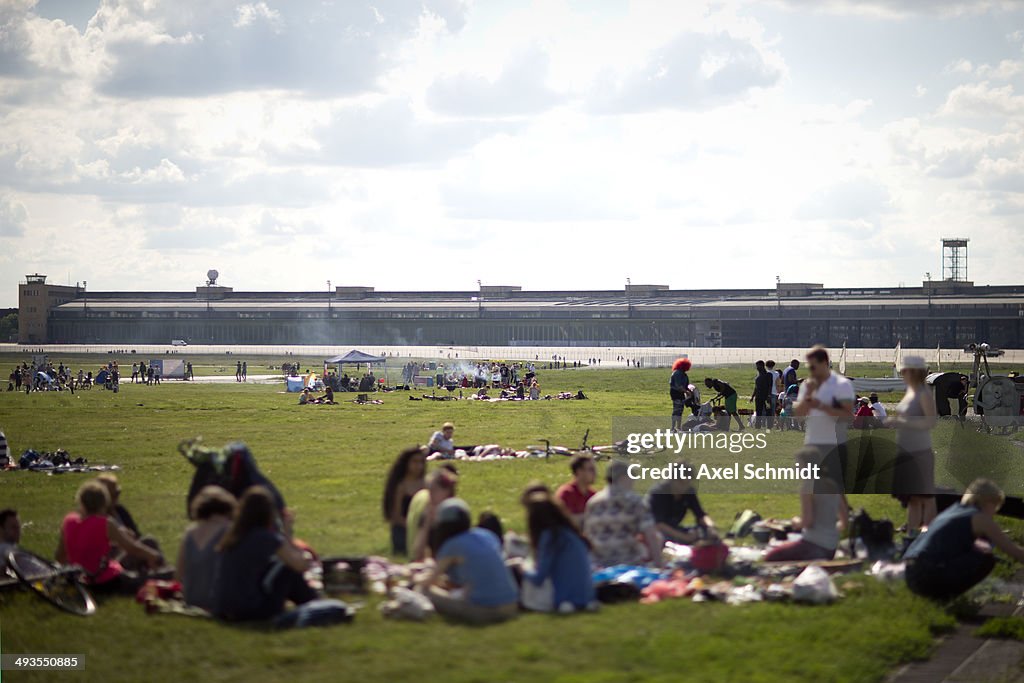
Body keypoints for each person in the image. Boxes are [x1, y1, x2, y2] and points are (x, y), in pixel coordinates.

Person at [904, 479, 1024, 600]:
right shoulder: (980, 518)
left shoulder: (952, 511)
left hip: (910, 572)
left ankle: (936, 597)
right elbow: (1012, 550)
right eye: (996, 506)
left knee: (977, 549)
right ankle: (944, 597)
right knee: (986, 559)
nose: (995, 512)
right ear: (988, 502)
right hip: (927, 574)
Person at [213, 486, 317, 621]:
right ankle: (314, 603)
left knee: (276, 566)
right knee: (286, 569)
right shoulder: (265, 537)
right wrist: (287, 533)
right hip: (252, 611)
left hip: (224, 609)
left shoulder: (233, 537)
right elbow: (299, 565)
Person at [418, 498, 518, 625]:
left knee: (423, 590)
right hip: (511, 605)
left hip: (485, 610)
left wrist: (415, 578)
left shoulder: (452, 545)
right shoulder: (486, 535)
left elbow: (428, 582)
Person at [56, 480, 162, 593]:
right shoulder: (105, 523)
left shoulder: (69, 521)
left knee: (148, 542)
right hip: (108, 581)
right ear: (103, 503)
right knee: (168, 574)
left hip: (82, 580)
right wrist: (154, 556)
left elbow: (60, 557)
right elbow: (132, 548)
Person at [763, 447, 848, 562]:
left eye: (798, 465)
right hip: (831, 549)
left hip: (814, 546)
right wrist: (829, 529)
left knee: (771, 556)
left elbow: (807, 522)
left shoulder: (808, 487)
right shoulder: (832, 485)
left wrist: (795, 521)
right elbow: (844, 521)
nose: (795, 468)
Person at [521, 488, 596, 613]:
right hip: (588, 597)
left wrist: (521, 568)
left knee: (527, 568)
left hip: (565, 600)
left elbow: (539, 577)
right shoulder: (573, 534)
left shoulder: (550, 537)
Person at [887, 355, 938, 536]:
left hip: (919, 452)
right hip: (906, 452)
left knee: (925, 497)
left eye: (904, 371)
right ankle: (912, 533)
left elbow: (931, 422)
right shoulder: (911, 392)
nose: (902, 374)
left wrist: (902, 423)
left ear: (913, 372)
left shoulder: (923, 393)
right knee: (913, 498)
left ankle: (929, 535)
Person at [793, 345, 855, 488]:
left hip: (834, 444)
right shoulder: (808, 385)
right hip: (812, 442)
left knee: (833, 490)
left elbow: (848, 416)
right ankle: (810, 511)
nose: (811, 371)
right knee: (809, 487)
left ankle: (842, 511)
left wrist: (822, 406)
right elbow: (798, 415)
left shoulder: (841, 385)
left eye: (813, 367)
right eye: (809, 367)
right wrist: (808, 395)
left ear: (824, 363)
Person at [583, 460, 661, 567]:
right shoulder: (634, 501)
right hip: (628, 564)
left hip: (598, 565)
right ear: (623, 477)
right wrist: (659, 566)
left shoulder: (592, 502)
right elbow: (651, 536)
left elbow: (587, 537)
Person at [175, 486, 236, 611]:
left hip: (190, 599)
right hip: (218, 600)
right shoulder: (229, 530)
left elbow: (178, 575)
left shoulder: (190, 533)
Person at [645, 466, 716, 545]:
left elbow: (700, 514)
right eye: (682, 482)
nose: (685, 485)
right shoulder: (659, 493)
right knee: (661, 538)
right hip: (654, 530)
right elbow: (658, 524)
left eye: (688, 482)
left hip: (674, 529)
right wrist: (684, 537)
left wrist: (711, 527)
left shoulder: (688, 491)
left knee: (704, 532)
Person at [382, 446, 427, 556]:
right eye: (414, 462)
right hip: (403, 528)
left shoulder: (426, 483)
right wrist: (413, 526)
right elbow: (396, 515)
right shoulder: (401, 486)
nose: (418, 466)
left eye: (421, 462)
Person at [408, 466, 459, 561]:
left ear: (447, 491)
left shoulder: (455, 514)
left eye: (434, 490)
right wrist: (427, 521)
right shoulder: (427, 512)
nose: (430, 494)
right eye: (429, 490)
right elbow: (417, 553)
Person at [555, 455, 597, 526]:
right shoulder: (567, 493)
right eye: (591, 469)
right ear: (579, 471)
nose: (595, 473)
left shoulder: (593, 495)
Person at [669, 358, 692, 432]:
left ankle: (678, 427)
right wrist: (686, 392)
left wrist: (689, 391)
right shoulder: (677, 373)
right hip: (676, 393)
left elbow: (686, 386)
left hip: (681, 393)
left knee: (680, 410)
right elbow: (678, 386)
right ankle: (673, 427)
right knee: (676, 410)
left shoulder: (684, 375)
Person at [752, 360, 774, 430]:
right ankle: (757, 426)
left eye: (758, 366)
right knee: (758, 411)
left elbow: (770, 386)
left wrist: (769, 396)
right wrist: (753, 396)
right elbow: (756, 387)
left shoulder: (768, 375)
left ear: (762, 365)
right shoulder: (758, 375)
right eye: (757, 366)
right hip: (758, 397)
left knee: (768, 411)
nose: (757, 368)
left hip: (766, 396)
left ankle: (769, 426)